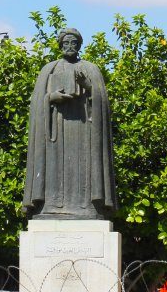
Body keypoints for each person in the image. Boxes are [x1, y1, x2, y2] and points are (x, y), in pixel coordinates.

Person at [23, 27, 116, 220]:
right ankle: (52, 206)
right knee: (55, 166)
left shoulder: (91, 69)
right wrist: (51, 97)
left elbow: (103, 104)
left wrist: (88, 87)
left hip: (84, 129)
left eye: (74, 43)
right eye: (66, 43)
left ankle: (87, 208)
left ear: (79, 45)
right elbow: (37, 104)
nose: (70, 47)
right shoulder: (49, 69)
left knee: (83, 167)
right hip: (55, 130)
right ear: (60, 45)